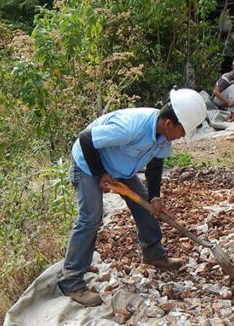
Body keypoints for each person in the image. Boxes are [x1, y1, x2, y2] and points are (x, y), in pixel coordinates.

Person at [58, 89, 208, 306]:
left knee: (146, 206)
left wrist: (155, 197)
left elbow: (155, 164)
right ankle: (71, 280)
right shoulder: (132, 127)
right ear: (169, 124)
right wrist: (101, 174)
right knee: (91, 218)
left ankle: (153, 253)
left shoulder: (163, 136)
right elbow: (86, 139)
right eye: (183, 131)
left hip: (121, 169)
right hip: (88, 165)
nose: (183, 136)